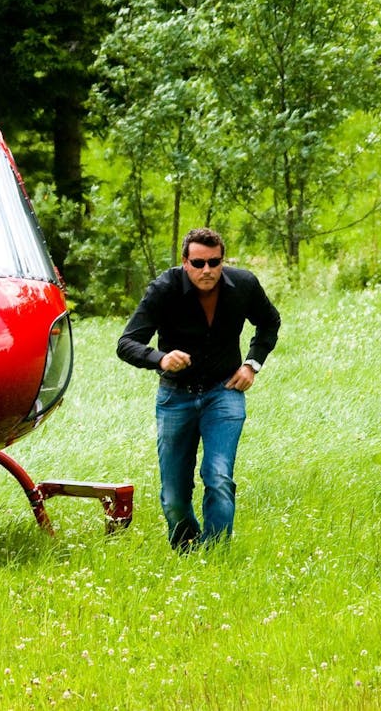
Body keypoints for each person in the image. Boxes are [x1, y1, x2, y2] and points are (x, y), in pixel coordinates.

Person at [117, 228, 280, 551]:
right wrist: (160, 359)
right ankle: (187, 548)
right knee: (174, 496)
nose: (207, 270)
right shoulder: (164, 290)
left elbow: (269, 322)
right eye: (198, 263)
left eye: (214, 262)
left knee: (218, 477)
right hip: (175, 396)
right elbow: (127, 343)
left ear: (223, 260)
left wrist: (252, 364)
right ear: (184, 262)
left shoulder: (243, 285)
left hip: (224, 393)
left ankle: (216, 552)